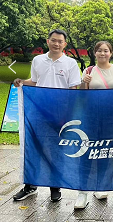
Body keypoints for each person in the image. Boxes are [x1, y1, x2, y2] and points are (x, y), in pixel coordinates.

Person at [12, 29, 81, 202]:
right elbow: (35, 82)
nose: (56, 44)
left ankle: (55, 186)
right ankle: (30, 185)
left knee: (56, 150)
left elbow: (73, 90)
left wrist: (69, 114)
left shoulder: (70, 63)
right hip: (38, 111)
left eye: (60, 41)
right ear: (47, 41)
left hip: (59, 113)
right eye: (53, 40)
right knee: (33, 148)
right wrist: (22, 82)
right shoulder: (38, 60)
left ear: (65, 44)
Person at [74, 41, 113, 209]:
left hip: (110, 119)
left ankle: (100, 186)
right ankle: (82, 192)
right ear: (94, 53)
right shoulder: (88, 71)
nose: (103, 53)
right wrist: (83, 82)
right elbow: (81, 96)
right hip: (91, 117)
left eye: (106, 51)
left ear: (111, 53)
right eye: (99, 51)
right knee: (86, 153)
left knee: (103, 152)